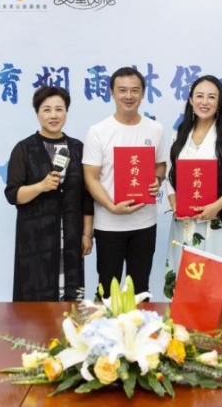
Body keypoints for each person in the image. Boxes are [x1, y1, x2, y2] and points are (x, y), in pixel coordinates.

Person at [83, 67, 167, 299]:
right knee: (107, 290)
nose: (128, 96)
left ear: (143, 93)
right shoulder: (98, 131)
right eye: (122, 90)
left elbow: (161, 165)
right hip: (109, 224)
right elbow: (90, 177)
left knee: (140, 290)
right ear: (112, 92)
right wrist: (111, 207)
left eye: (134, 90)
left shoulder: (155, 129)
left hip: (145, 223)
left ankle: (141, 325)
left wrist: (157, 180)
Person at [5, 86, 94, 301]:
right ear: (37, 113)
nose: (53, 115)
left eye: (59, 109)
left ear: (66, 112)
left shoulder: (78, 148)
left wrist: (87, 234)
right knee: (35, 300)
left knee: (71, 299)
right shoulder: (24, 149)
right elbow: (13, 195)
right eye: (47, 110)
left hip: (71, 237)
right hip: (35, 239)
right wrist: (40, 186)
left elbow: (86, 197)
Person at [164, 75, 222, 301]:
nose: (204, 102)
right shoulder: (179, 134)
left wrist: (216, 206)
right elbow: (170, 176)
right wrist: (174, 202)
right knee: (187, 282)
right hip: (185, 221)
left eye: (211, 97)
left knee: (221, 284)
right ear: (191, 100)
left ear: (219, 103)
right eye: (199, 96)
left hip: (221, 220)